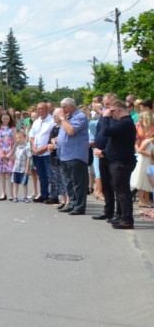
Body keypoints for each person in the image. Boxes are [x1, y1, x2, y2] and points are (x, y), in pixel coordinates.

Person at [95, 99, 136, 229]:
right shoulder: (122, 123)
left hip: (121, 163)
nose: (110, 114)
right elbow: (114, 143)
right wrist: (105, 153)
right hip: (116, 161)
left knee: (123, 192)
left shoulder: (125, 123)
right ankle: (121, 217)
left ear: (118, 111)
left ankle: (127, 219)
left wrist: (105, 117)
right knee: (119, 191)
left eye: (112, 111)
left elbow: (106, 131)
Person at [56, 98, 89, 215]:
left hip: (76, 155)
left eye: (64, 107)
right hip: (64, 155)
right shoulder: (68, 118)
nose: (62, 109)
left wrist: (62, 119)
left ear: (72, 106)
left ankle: (79, 206)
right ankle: (72, 203)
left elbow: (71, 131)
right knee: (68, 182)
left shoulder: (80, 117)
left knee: (78, 182)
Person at [9, 131, 32, 202]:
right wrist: (10, 157)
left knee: (24, 183)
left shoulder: (27, 147)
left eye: (20, 138)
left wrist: (27, 168)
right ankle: (15, 196)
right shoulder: (17, 147)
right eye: (17, 138)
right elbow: (15, 157)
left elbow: (29, 157)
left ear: (25, 138)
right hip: (16, 168)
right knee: (15, 182)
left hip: (23, 168)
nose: (18, 139)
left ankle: (25, 197)